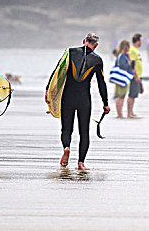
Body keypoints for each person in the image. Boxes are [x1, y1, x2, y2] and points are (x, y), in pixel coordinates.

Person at [45, 33, 110, 170]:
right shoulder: (97, 60)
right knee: (84, 132)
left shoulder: (70, 52)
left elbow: (57, 72)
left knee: (66, 129)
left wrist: (48, 92)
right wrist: (105, 103)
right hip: (84, 99)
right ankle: (81, 163)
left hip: (67, 97)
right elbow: (101, 83)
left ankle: (67, 147)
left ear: (83, 41)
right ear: (96, 45)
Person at [114, 40, 134, 118]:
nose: (129, 48)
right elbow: (122, 65)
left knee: (121, 96)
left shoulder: (122, 55)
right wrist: (129, 64)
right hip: (121, 78)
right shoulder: (122, 56)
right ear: (126, 47)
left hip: (121, 78)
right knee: (121, 96)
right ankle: (119, 114)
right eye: (128, 46)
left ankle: (120, 113)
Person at [127, 33, 143, 118]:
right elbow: (132, 64)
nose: (141, 42)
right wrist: (136, 76)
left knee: (134, 95)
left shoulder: (135, 50)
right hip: (134, 76)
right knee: (132, 95)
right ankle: (129, 113)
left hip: (138, 76)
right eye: (141, 40)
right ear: (137, 41)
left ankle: (131, 112)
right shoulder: (132, 50)